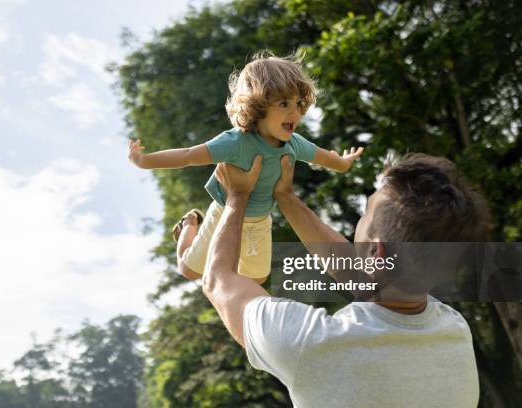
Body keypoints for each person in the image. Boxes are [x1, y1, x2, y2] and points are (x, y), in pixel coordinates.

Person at [201, 153, 490, 408]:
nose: (360, 220)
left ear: (376, 251)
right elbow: (369, 282)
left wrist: (236, 197)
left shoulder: (311, 343)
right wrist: (285, 197)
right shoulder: (454, 329)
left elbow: (218, 279)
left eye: (366, 212)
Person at [128, 51, 363, 283]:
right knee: (189, 270)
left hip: (259, 221)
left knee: (257, 278)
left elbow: (324, 158)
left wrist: (344, 162)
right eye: (284, 103)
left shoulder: (293, 144)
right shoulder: (235, 142)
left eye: (298, 103)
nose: (295, 112)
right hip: (223, 212)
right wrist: (144, 160)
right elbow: (188, 156)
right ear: (257, 105)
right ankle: (188, 229)